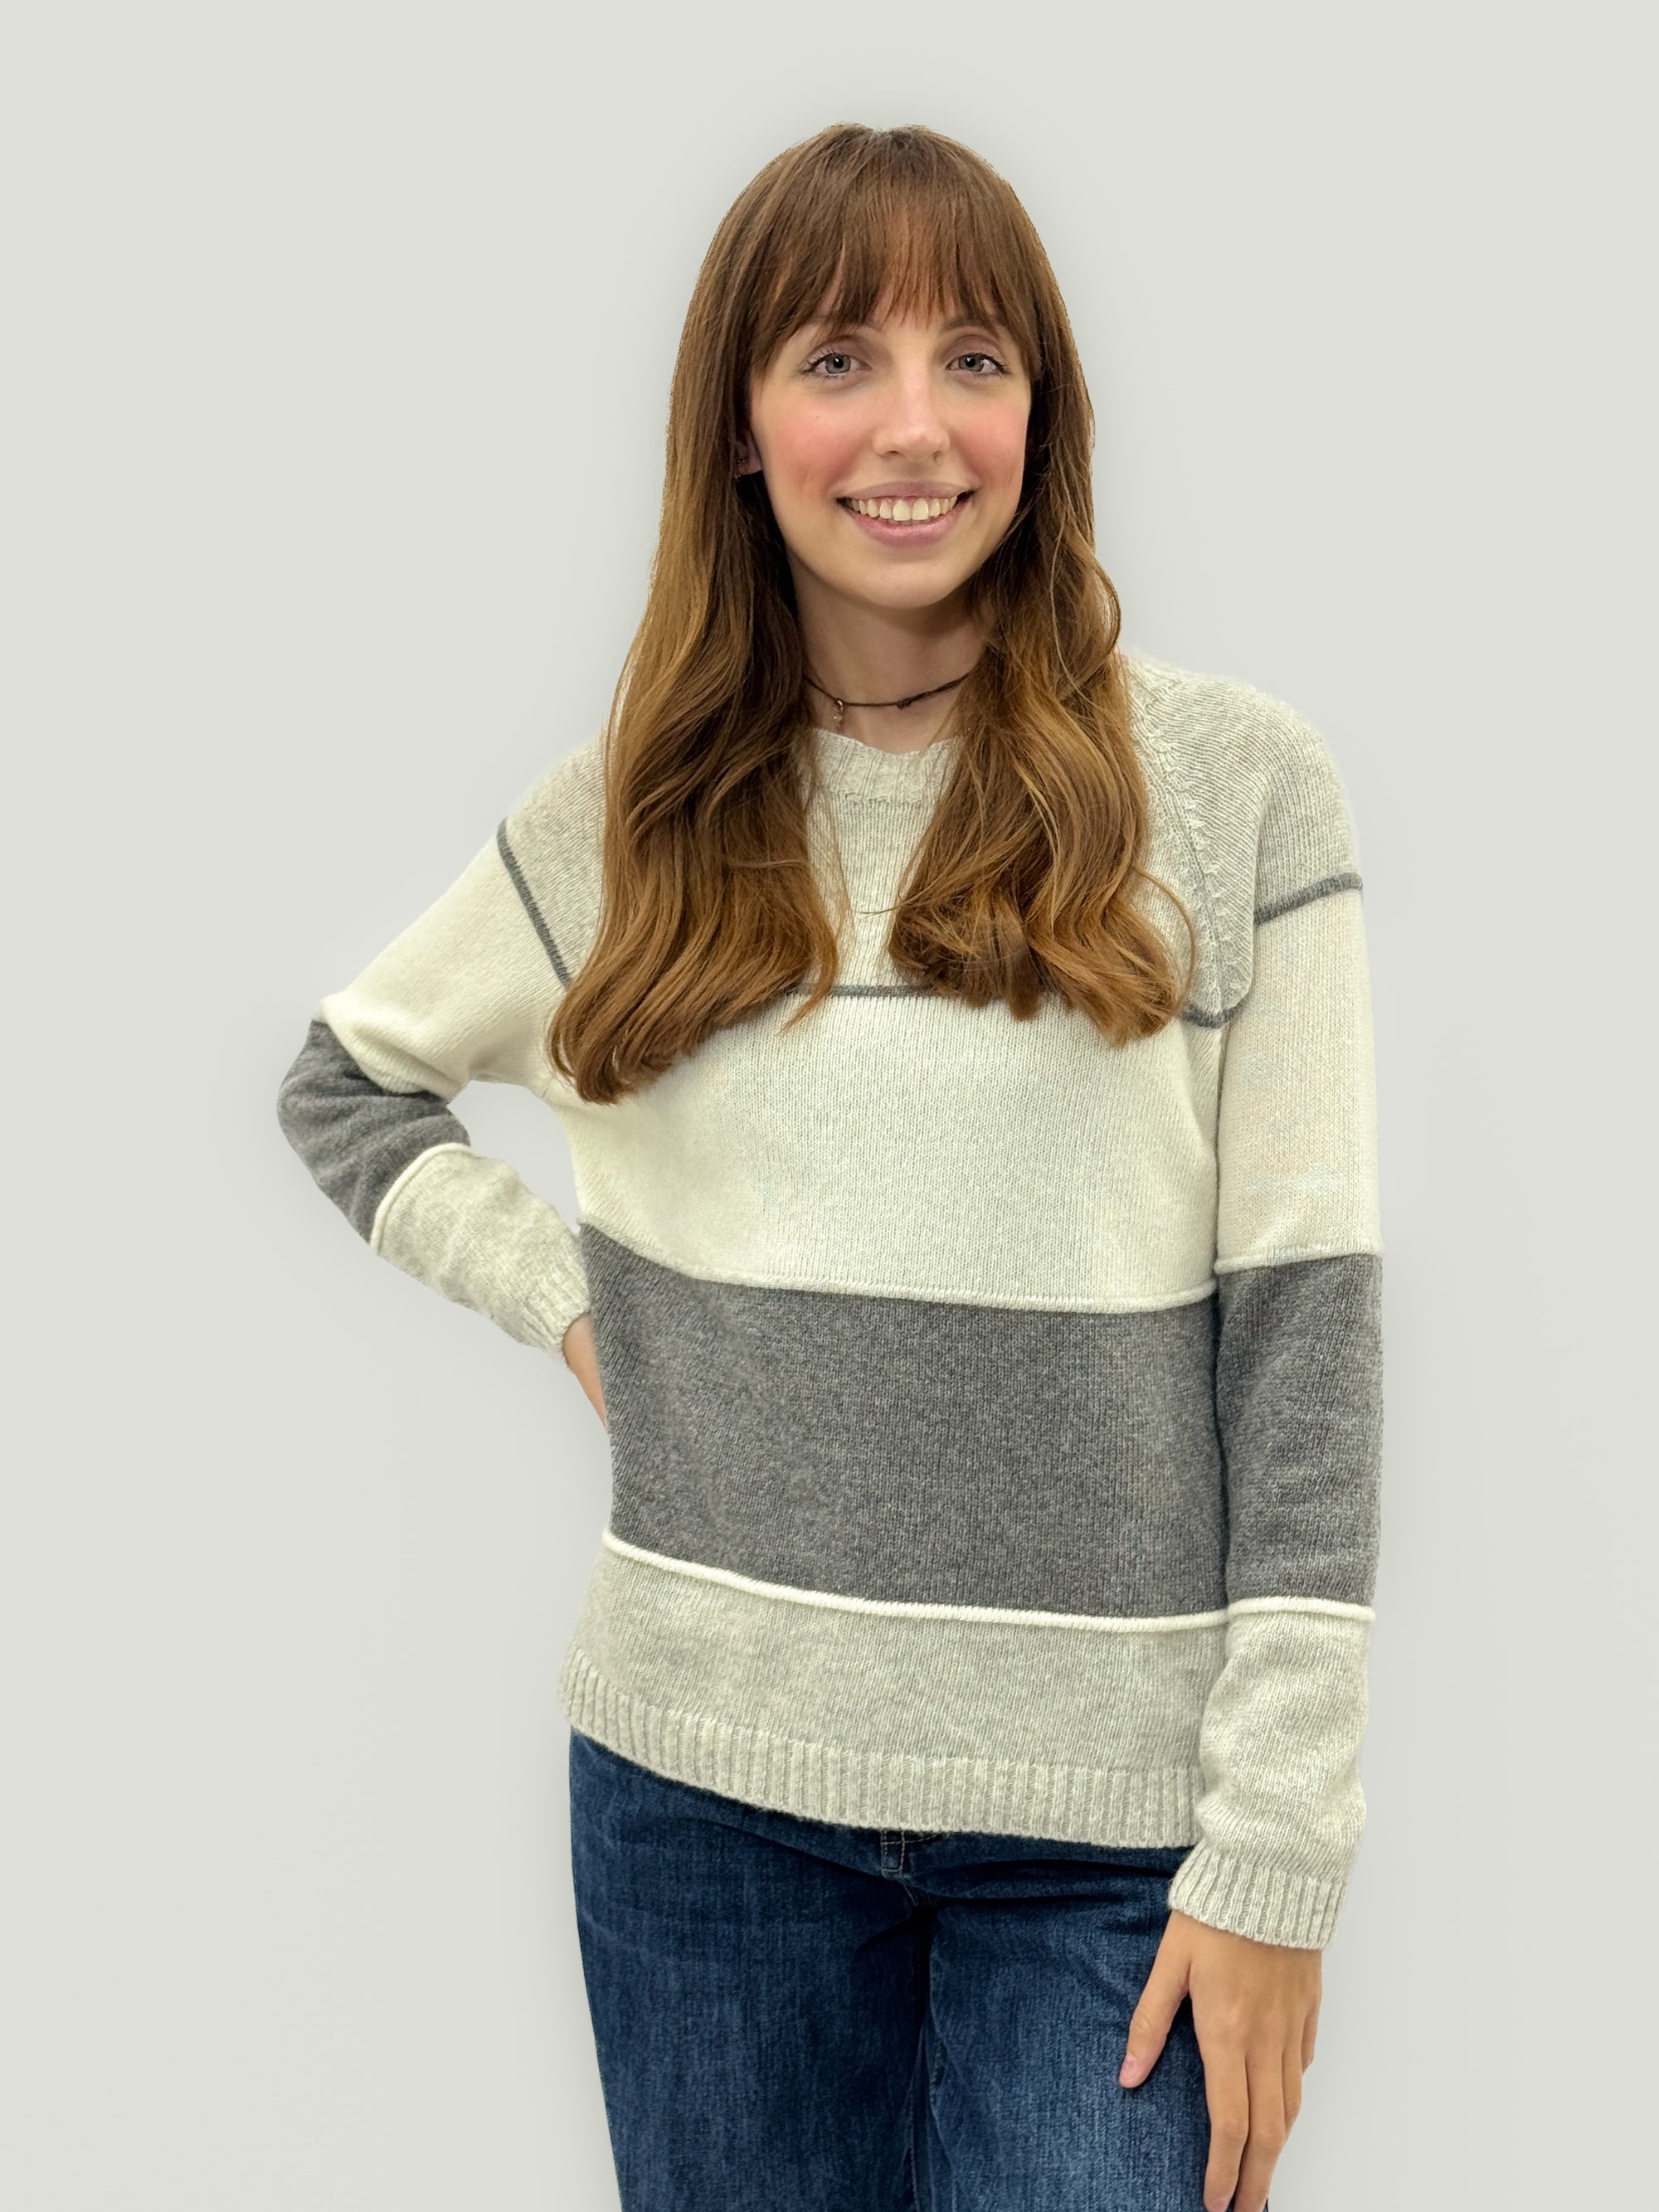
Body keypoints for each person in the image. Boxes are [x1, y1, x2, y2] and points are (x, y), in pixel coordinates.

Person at [275, 120, 1381, 2212]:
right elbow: (349, 1084)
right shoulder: (634, 816)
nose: (913, 427)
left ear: (1042, 414)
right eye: (836, 357)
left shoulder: (1234, 790)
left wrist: (1278, 1854)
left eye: (975, 358)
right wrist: (577, 1308)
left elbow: (1304, 1349)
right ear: (738, 424)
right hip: (701, 1805)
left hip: (1111, 1836)